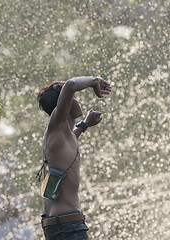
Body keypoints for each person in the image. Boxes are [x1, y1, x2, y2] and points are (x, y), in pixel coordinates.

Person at [36, 76, 112, 240]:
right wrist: (94, 81)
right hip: (68, 227)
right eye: (73, 98)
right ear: (66, 102)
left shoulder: (60, 136)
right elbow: (70, 85)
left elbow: (70, 143)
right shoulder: (56, 126)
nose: (77, 101)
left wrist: (84, 125)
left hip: (59, 225)